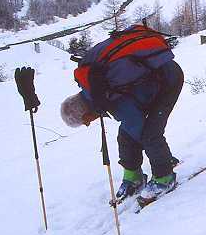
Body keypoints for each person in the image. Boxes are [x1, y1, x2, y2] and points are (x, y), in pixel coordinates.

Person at [60, 25, 184, 204]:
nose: (88, 124)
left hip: (168, 80)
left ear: (85, 115)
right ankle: (133, 176)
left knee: (150, 134)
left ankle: (165, 177)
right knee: (126, 134)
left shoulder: (105, 98)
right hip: (154, 82)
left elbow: (138, 128)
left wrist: (161, 157)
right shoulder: (94, 89)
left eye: (84, 122)